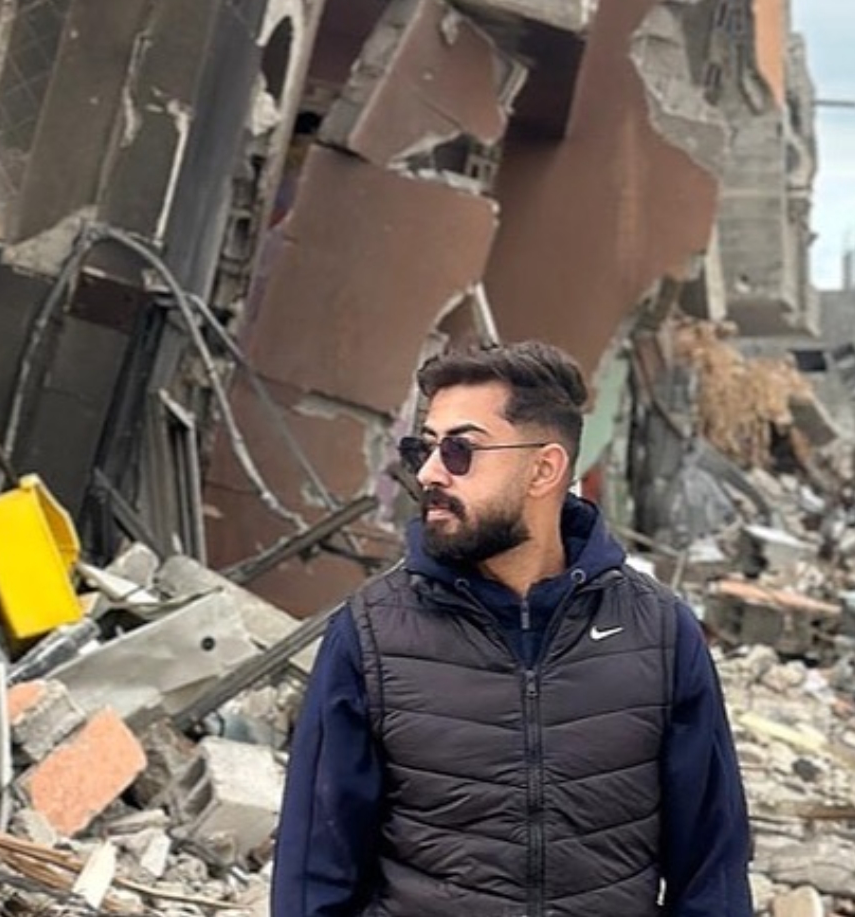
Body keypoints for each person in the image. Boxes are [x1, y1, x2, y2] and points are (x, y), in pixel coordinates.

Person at [272, 341, 752, 916]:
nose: (428, 472)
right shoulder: (372, 633)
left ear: (544, 469)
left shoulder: (659, 632)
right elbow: (314, 873)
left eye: (460, 450)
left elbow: (712, 870)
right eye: (423, 448)